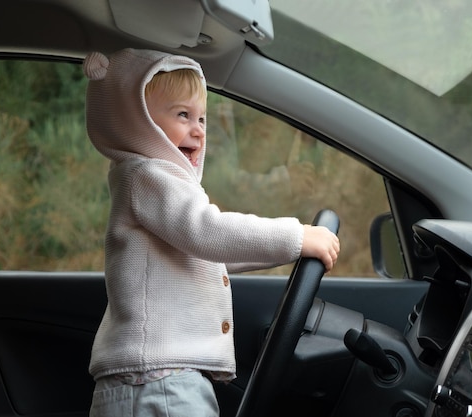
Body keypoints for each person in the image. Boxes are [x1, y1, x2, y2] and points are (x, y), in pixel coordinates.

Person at [82, 48, 340, 417]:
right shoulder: (147, 175)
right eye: (182, 115)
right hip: (155, 381)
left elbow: (211, 251)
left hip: (161, 378)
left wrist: (291, 251)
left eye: (202, 118)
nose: (198, 129)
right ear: (136, 120)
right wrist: (297, 236)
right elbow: (209, 232)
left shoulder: (159, 184)